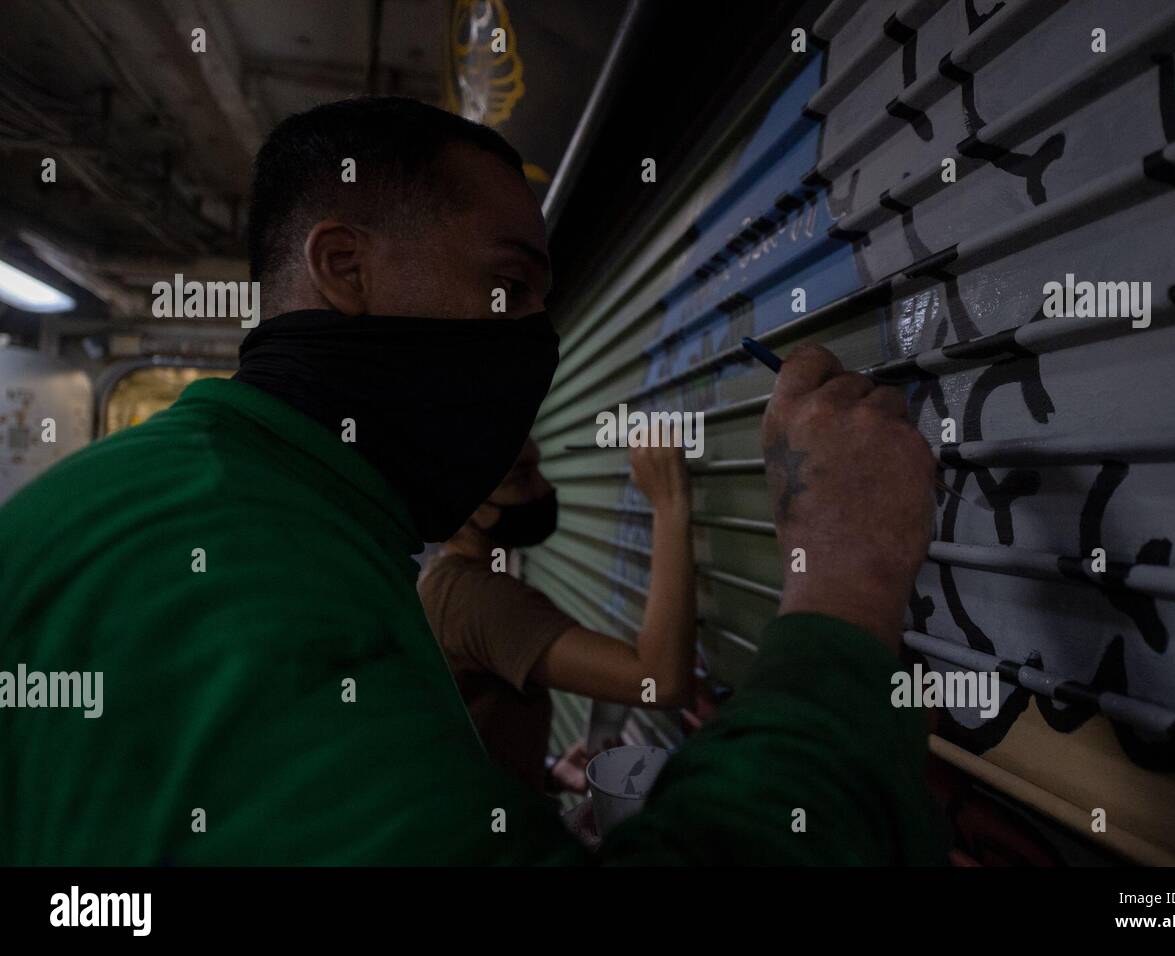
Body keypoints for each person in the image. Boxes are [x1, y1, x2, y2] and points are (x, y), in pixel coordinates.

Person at [0, 96, 944, 865]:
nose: (537, 344)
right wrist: (847, 587)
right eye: (509, 286)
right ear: (344, 266)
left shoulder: (171, 499)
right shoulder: (232, 565)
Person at [418, 437, 694, 793]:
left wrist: (546, 773)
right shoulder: (476, 599)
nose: (545, 488)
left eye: (538, 468)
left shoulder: (445, 582)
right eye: (521, 477)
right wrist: (669, 502)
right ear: (469, 505)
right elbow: (659, 682)